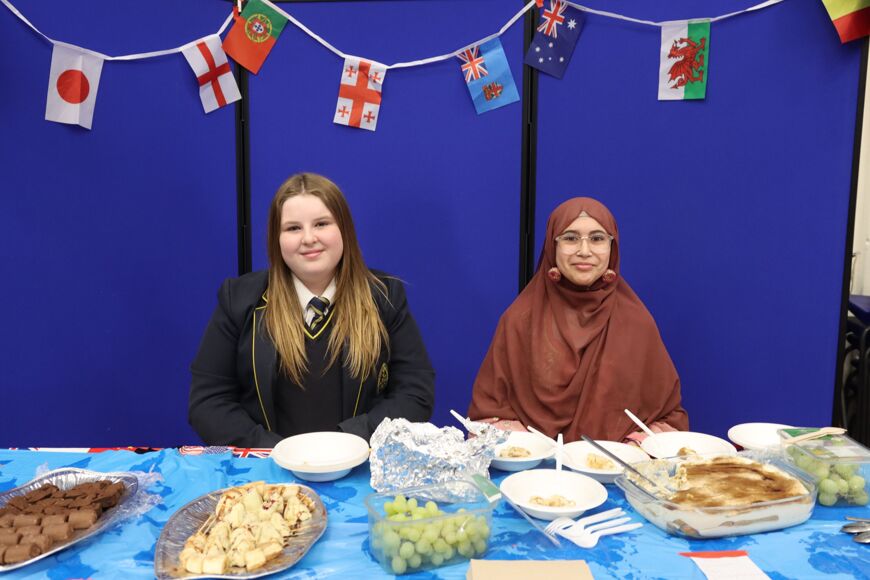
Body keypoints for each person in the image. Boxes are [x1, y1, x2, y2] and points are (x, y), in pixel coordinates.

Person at [189, 173, 435, 447]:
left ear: (344, 229)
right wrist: (276, 451)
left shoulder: (385, 297)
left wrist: (350, 442)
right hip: (270, 467)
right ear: (276, 238)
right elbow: (208, 402)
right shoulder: (238, 299)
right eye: (293, 228)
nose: (308, 238)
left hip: (358, 464)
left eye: (321, 224)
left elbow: (415, 392)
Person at [468, 197, 687, 443]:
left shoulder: (636, 323)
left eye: (597, 238)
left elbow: (668, 419)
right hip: (535, 466)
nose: (584, 251)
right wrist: (522, 445)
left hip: (616, 465)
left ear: (612, 248)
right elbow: (487, 418)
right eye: (570, 238)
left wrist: (636, 446)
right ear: (552, 246)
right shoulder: (519, 321)